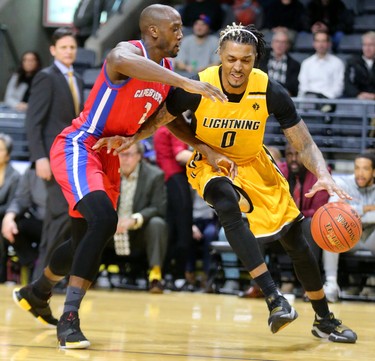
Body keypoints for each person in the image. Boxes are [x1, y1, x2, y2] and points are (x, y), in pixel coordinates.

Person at [102, 23, 358, 343]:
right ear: (220, 55)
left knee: (295, 240)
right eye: (232, 58)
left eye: (246, 60)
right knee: (225, 201)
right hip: (211, 163)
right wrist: (132, 138)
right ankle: (273, 297)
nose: (238, 66)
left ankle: (324, 318)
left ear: (255, 60)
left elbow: (304, 144)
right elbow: (164, 117)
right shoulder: (198, 84)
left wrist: (323, 174)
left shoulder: (269, 90)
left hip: (255, 164)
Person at [13, 4, 227, 350]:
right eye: (175, 28)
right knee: (104, 220)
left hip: (109, 154)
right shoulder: (126, 53)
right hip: (80, 147)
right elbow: (121, 61)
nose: (181, 34)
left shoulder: (166, 68)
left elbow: (171, 118)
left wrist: (207, 149)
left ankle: (37, 292)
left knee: (85, 238)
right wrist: (187, 81)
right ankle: (69, 318)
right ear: (153, 31)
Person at [25, 27, 84, 281]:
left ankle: (46, 279)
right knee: (60, 215)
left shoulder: (78, 79)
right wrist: (40, 157)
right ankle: (42, 280)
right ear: (53, 50)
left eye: (72, 47)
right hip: (51, 158)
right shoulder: (45, 77)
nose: (68, 51)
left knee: (63, 218)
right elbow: (33, 122)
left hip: (72, 157)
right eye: (63, 47)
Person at [113, 142, 168, 293]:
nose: (124, 159)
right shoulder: (108, 173)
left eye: (129, 154)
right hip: (111, 230)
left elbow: (158, 207)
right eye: (121, 154)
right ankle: (85, 274)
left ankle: (155, 277)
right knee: (88, 222)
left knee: (157, 224)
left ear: (139, 156)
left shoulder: (154, 175)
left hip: (138, 232)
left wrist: (134, 220)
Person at [322, 153, 375, 303]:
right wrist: (366, 209)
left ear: (374, 172)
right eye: (357, 168)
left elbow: (345, 212)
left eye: (365, 169)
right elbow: (334, 210)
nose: (360, 173)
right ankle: (331, 284)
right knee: (331, 230)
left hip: (372, 236)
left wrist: (350, 210)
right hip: (350, 236)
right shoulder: (342, 183)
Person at [153, 125, 194, 289]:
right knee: (183, 228)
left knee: (170, 228)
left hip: (167, 180)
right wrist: (208, 158)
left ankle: (167, 273)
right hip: (176, 178)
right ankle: (179, 275)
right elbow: (180, 155)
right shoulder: (173, 127)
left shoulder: (161, 128)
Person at [1, 164, 46, 282]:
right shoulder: (31, 170)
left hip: (63, 222)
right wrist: (9, 216)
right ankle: (34, 262)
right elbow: (21, 199)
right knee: (12, 228)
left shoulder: (68, 166)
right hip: (39, 220)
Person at [298, 30, 345, 109]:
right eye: (318, 41)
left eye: (323, 41)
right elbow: (303, 86)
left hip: (329, 101)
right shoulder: (306, 63)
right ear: (314, 44)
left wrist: (324, 99)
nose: (321, 44)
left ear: (329, 44)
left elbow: (339, 86)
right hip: (309, 101)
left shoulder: (337, 63)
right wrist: (314, 99)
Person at [0, 133, 21, 283]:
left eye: (0, 149)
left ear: (8, 155)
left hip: (4, 219)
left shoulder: (14, 176)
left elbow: (12, 204)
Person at [258, 29, 300, 97]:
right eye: (277, 41)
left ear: (287, 45)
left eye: (283, 42)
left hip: (283, 98)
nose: (280, 45)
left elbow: (293, 89)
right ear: (272, 43)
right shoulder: (261, 60)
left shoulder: (294, 65)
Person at [344, 31, 375, 100]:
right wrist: (358, 94)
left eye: (371, 45)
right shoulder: (352, 62)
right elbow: (348, 83)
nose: (367, 48)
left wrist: (373, 96)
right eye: (365, 45)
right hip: (357, 99)